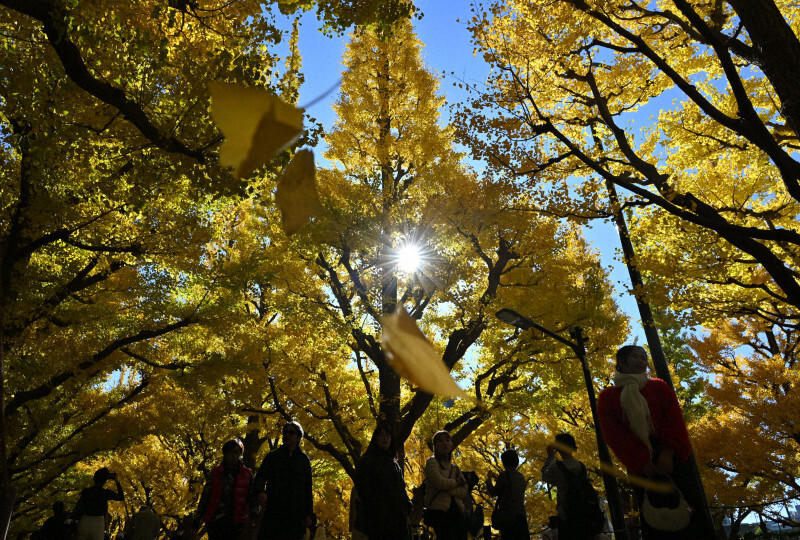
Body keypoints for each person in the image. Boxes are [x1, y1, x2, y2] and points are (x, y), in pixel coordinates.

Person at [597, 345, 712, 539]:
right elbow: (614, 434)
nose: (642, 361)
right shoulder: (608, 397)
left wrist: (668, 451)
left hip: (673, 457)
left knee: (690, 510)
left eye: (644, 358)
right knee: (654, 516)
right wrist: (641, 461)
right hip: (641, 462)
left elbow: (673, 418)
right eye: (635, 357)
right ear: (621, 363)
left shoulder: (658, 387)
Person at [249, 421, 313, 540]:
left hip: (295, 514)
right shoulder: (272, 457)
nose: (287, 435)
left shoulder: (304, 460)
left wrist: (308, 513)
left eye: (291, 432)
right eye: (285, 432)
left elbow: (308, 488)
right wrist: (260, 492)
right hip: (274, 511)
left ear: (299, 437)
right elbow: (260, 478)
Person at [541, 433, 605, 539]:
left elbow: (544, 475)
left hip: (567, 517)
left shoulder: (557, 468)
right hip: (585, 516)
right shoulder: (582, 466)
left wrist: (550, 457)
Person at [354, 425, 412, 540]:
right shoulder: (368, 460)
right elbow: (362, 487)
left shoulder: (394, 464)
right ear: (375, 438)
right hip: (377, 518)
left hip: (397, 518)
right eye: (381, 435)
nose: (384, 438)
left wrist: (407, 506)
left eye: (387, 435)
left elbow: (401, 488)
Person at [194, 438, 253, 539]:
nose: (233, 455)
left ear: (240, 453)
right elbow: (206, 496)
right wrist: (197, 519)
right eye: (229, 452)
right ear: (225, 454)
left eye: (236, 452)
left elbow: (253, 496)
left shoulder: (247, 474)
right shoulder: (216, 472)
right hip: (215, 521)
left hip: (237, 522)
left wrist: (254, 514)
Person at [423, 430, 468, 540]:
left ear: (451, 444)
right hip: (439, 511)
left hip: (457, 511)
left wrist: (449, 489)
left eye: (448, 440)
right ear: (435, 446)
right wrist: (456, 483)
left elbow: (464, 490)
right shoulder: (432, 462)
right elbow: (439, 482)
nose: (445, 443)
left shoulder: (455, 468)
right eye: (440, 441)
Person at [487, 449, 528, 540]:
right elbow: (511, 488)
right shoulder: (521, 477)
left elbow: (493, 492)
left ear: (504, 462)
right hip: (521, 516)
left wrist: (489, 479)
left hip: (508, 517)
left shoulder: (504, 475)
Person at [74, 467, 125, 540]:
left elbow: (79, 506)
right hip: (98, 522)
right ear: (105, 481)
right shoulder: (105, 493)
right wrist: (117, 481)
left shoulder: (87, 491)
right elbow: (121, 497)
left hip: (84, 520)